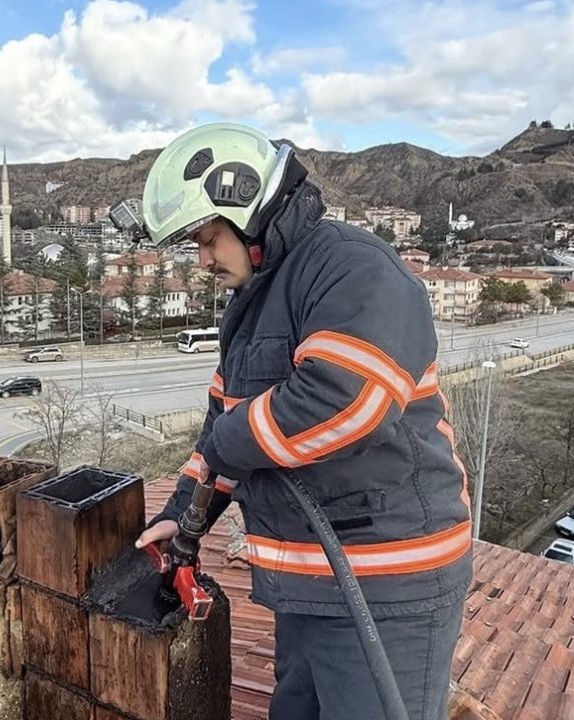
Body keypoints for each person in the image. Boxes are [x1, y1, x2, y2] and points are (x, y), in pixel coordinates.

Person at [132, 123, 473, 720]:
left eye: (209, 239)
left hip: (385, 585)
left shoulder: (353, 270)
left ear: (250, 211)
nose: (204, 259)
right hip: (311, 582)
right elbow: (223, 421)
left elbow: (345, 404)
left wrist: (226, 442)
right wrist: (182, 518)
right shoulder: (255, 299)